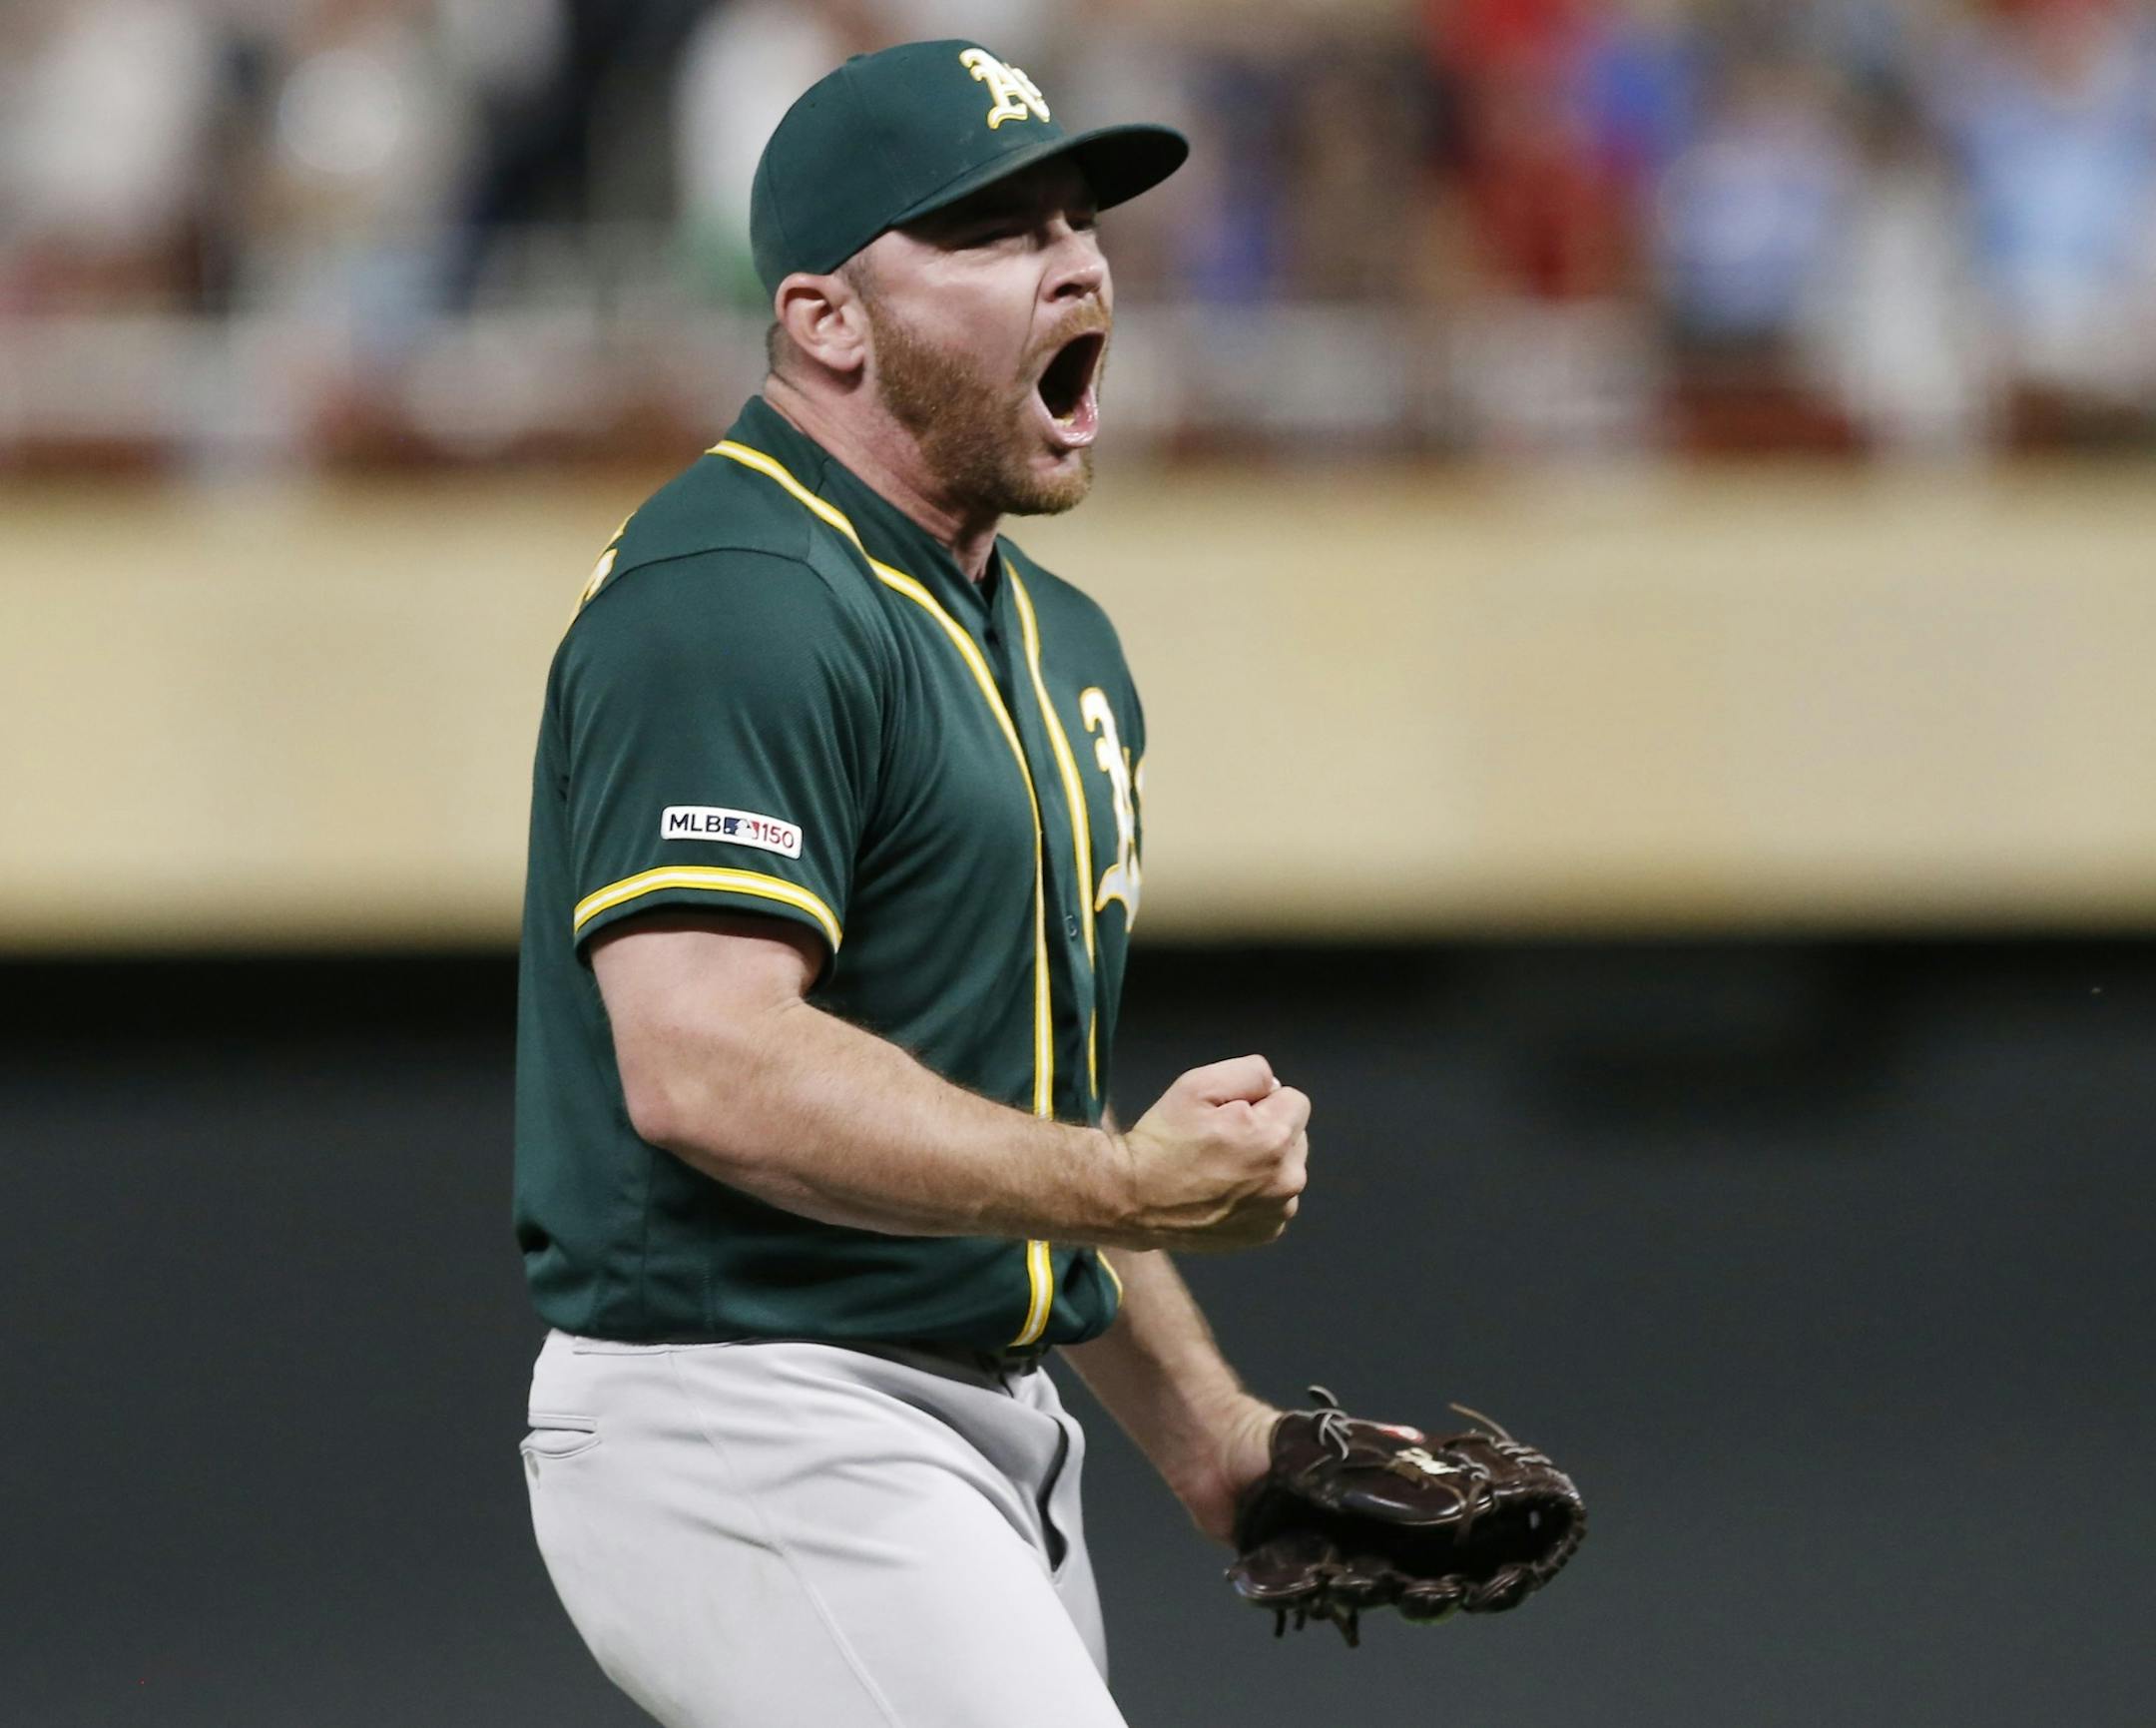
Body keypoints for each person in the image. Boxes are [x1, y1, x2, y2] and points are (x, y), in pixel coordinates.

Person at [513, 40, 1311, 1727]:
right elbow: (705, 1062)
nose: (1078, 259)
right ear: (825, 320)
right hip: (743, 1406)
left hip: (978, 1424)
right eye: (996, 230)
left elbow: (1009, 1122)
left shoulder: (1053, 638)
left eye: (1078, 221)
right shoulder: (736, 590)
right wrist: (1141, 1190)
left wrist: (1219, 1446)